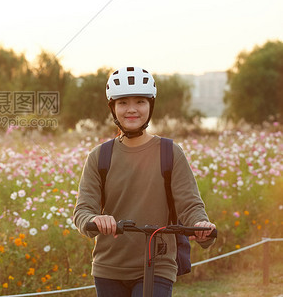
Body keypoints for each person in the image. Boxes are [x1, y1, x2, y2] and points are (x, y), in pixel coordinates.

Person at [73, 66, 216, 297]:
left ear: (151, 105)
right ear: (113, 108)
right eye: (123, 103)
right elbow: (83, 210)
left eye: (140, 101)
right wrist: (94, 219)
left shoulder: (170, 152)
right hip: (108, 268)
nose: (131, 109)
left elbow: (190, 205)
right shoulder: (99, 156)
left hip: (157, 264)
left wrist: (201, 225)